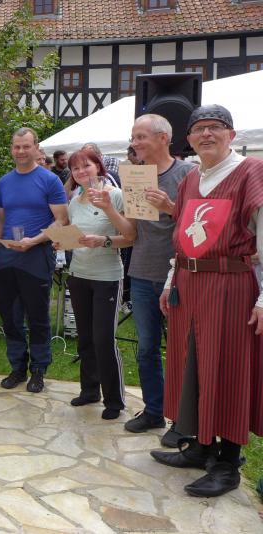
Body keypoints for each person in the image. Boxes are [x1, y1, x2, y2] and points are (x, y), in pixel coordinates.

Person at [151, 105, 263, 497]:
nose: (206, 135)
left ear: (231, 134)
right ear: (190, 139)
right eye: (198, 129)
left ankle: (228, 463)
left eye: (215, 127)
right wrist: (170, 282)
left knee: (227, 368)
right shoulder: (191, 180)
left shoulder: (250, 172)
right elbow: (183, 239)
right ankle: (200, 447)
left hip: (230, 285)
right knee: (191, 366)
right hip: (189, 285)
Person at [123, 114, 195, 447]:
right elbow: (132, 228)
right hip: (141, 271)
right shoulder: (136, 174)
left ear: (163, 138)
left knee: (182, 351)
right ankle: (153, 410)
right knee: (146, 349)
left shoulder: (187, 174)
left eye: (141, 137)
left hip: (177, 275)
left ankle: (181, 420)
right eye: (133, 137)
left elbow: (198, 223)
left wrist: (170, 207)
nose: (135, 143)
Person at [61, 149, 136, 419]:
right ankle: (90, 390)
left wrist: (104, 239)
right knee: (85, 338)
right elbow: (76, 235)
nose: (82, 172)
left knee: (103, 339)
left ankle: (114, 401)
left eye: (87, 166)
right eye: (76, 168)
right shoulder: (74, 201)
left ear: (98, 167)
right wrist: (63, 241)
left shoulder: (115, 196)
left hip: (107, 277)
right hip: (79, 274)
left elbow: (130, 236)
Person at [0, 128, 68, 393]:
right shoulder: (4, 182)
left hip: (37, 255)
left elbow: (61, 220)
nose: (21, 151)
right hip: (6, 257)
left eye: (26, 146)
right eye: (17, 147)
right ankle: (17, 367)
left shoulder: (50, 180)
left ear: (36, 147)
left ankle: (38, 369)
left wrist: (35, 240)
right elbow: (1, 220)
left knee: (37, 316)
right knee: (10, 317)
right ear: (12, 149)